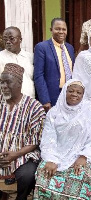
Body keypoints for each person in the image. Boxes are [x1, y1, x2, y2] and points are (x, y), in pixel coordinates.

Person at [34, 79, 91, 199]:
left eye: (79, 92)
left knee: (82, 177)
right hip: (56, 154)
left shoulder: (90, 110)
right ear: (64, 92)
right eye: (71, 91)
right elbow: (48, 138)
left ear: (83, 95)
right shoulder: (54, 113)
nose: (74, 94)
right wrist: (51, 159)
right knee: (44, 175)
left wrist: (84, 156)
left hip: (82, 156)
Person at [0, 63, 46, 200]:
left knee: (27, 175)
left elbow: (35, 141)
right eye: (1, 82)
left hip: (23, 154)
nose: (3, 86)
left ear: (20, 82)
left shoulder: (34, 107)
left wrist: (15, 155)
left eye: (8, 82)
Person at [34, 18, 75, 112]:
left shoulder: (70, 48)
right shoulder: (42, 47)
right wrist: (45, 100)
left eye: (64, 29)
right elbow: (38, 75)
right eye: (57, 29)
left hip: (69, 96)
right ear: (51, 30)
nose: (61, 32)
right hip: (52, 96)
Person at [0, 26, 35, 98]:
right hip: (8, 103)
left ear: (20, 39)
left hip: (30, 101)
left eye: (11, 38)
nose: (8, 42)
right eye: (5, 39)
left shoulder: (30, 57)